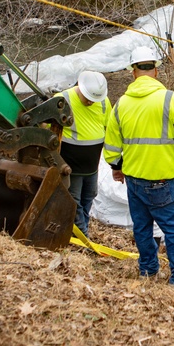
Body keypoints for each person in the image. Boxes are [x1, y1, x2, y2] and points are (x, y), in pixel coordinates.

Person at [104, 46, 174, 286]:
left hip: (134, 180)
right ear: (155, 70)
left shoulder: (122, 103)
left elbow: (112, 143)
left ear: (133, 72)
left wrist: (116, 167)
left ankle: (147, 271)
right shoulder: (169, 99)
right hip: (163, 180)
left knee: (142, 228)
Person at [56, 70, 110, 238]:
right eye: (88, 98)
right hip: (71, 162)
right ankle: (80, 235)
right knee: (74, 199)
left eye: (94, 99)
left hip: (92, 163)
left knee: (90, 195)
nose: (90, 102)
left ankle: (79, 229)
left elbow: (109, 126)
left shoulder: (102, 102)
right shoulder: (62, 100)